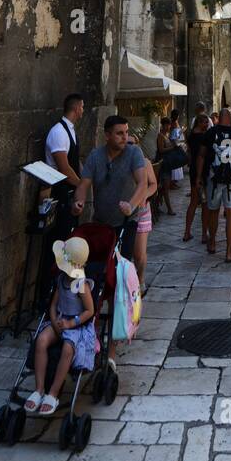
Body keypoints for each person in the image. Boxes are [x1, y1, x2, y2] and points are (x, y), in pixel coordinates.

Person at [73, 115, 152, 368]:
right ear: (106, 135)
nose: (124, 137)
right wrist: (79, 201)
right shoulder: (96, 157)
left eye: (126, 132)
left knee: (117, 278)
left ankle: (113, 346)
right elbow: (84, 183)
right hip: (102, 224)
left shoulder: (134, 152)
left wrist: (132, 204)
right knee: (94, 278)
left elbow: (142, 182)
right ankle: (92, 329)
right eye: (119, 133)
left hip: (126, 223)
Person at [26, 236, 96, 416]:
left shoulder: (81, 285)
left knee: (67, 349)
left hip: (75, 326)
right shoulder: (61, 280)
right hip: (60, 320)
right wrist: (55, 320)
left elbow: (89, 310)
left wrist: (71, 323)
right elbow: (53, 304)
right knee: (41, 340)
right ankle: (39, 388)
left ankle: (54, 393)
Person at [198, 107, 231, 262]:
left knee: (213, 211)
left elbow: (201, 155)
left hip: (214, 178)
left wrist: (199, 176)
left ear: (219, 118)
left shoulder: (210, 133)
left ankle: (212, 243)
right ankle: (229, 252)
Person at [43, 94, 86, 239]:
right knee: (58, 239)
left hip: (70, 194)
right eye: (82, 107)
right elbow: (64, 168)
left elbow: (74, 159)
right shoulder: (59, 132)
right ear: (75, 108)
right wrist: (81, 185)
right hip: (58, 193)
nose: (83, 110)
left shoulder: (71, 130)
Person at [183, 112, 212, 243]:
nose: (207, 124)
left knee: (193, 202)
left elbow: (189, 154)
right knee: (205, 203)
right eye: (205, 122)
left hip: (194, 170)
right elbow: (203, 155)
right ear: (199, 123)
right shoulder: (204, 137)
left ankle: (187, 232)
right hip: (203, 171)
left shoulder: (190, 136)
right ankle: (204, 234)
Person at [134, 156, 158, 293]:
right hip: (119, 212)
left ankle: (140, 279)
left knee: (139, 253)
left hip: (141, 210)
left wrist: (144, 196)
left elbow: (153, 183)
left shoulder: (144, 162)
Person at [155, 116, 177, 215]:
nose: (168, 127)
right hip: (162, 164)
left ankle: (156, 206)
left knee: (163, 188)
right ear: (163, 125)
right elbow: (161, 150)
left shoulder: (166, 135)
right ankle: (169, 209)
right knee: (165, 188)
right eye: (167, 125)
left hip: (167, 164)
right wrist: (172, 147)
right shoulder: (160, 136)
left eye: (169, 125)